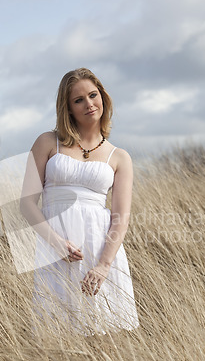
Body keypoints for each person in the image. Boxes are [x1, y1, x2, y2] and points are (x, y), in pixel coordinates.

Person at [20, 68, 140, 336]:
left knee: (102, 336)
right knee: (55, 331)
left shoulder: (119, 156)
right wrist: (57, 243)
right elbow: (26, 204)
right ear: (68, 108)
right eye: (78, 100)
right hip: (56, 250)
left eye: (93, 95)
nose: (89, 104)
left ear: (103, 98)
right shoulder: (48, 142)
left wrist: (104, 265)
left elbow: (121, 217)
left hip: (99, 253)